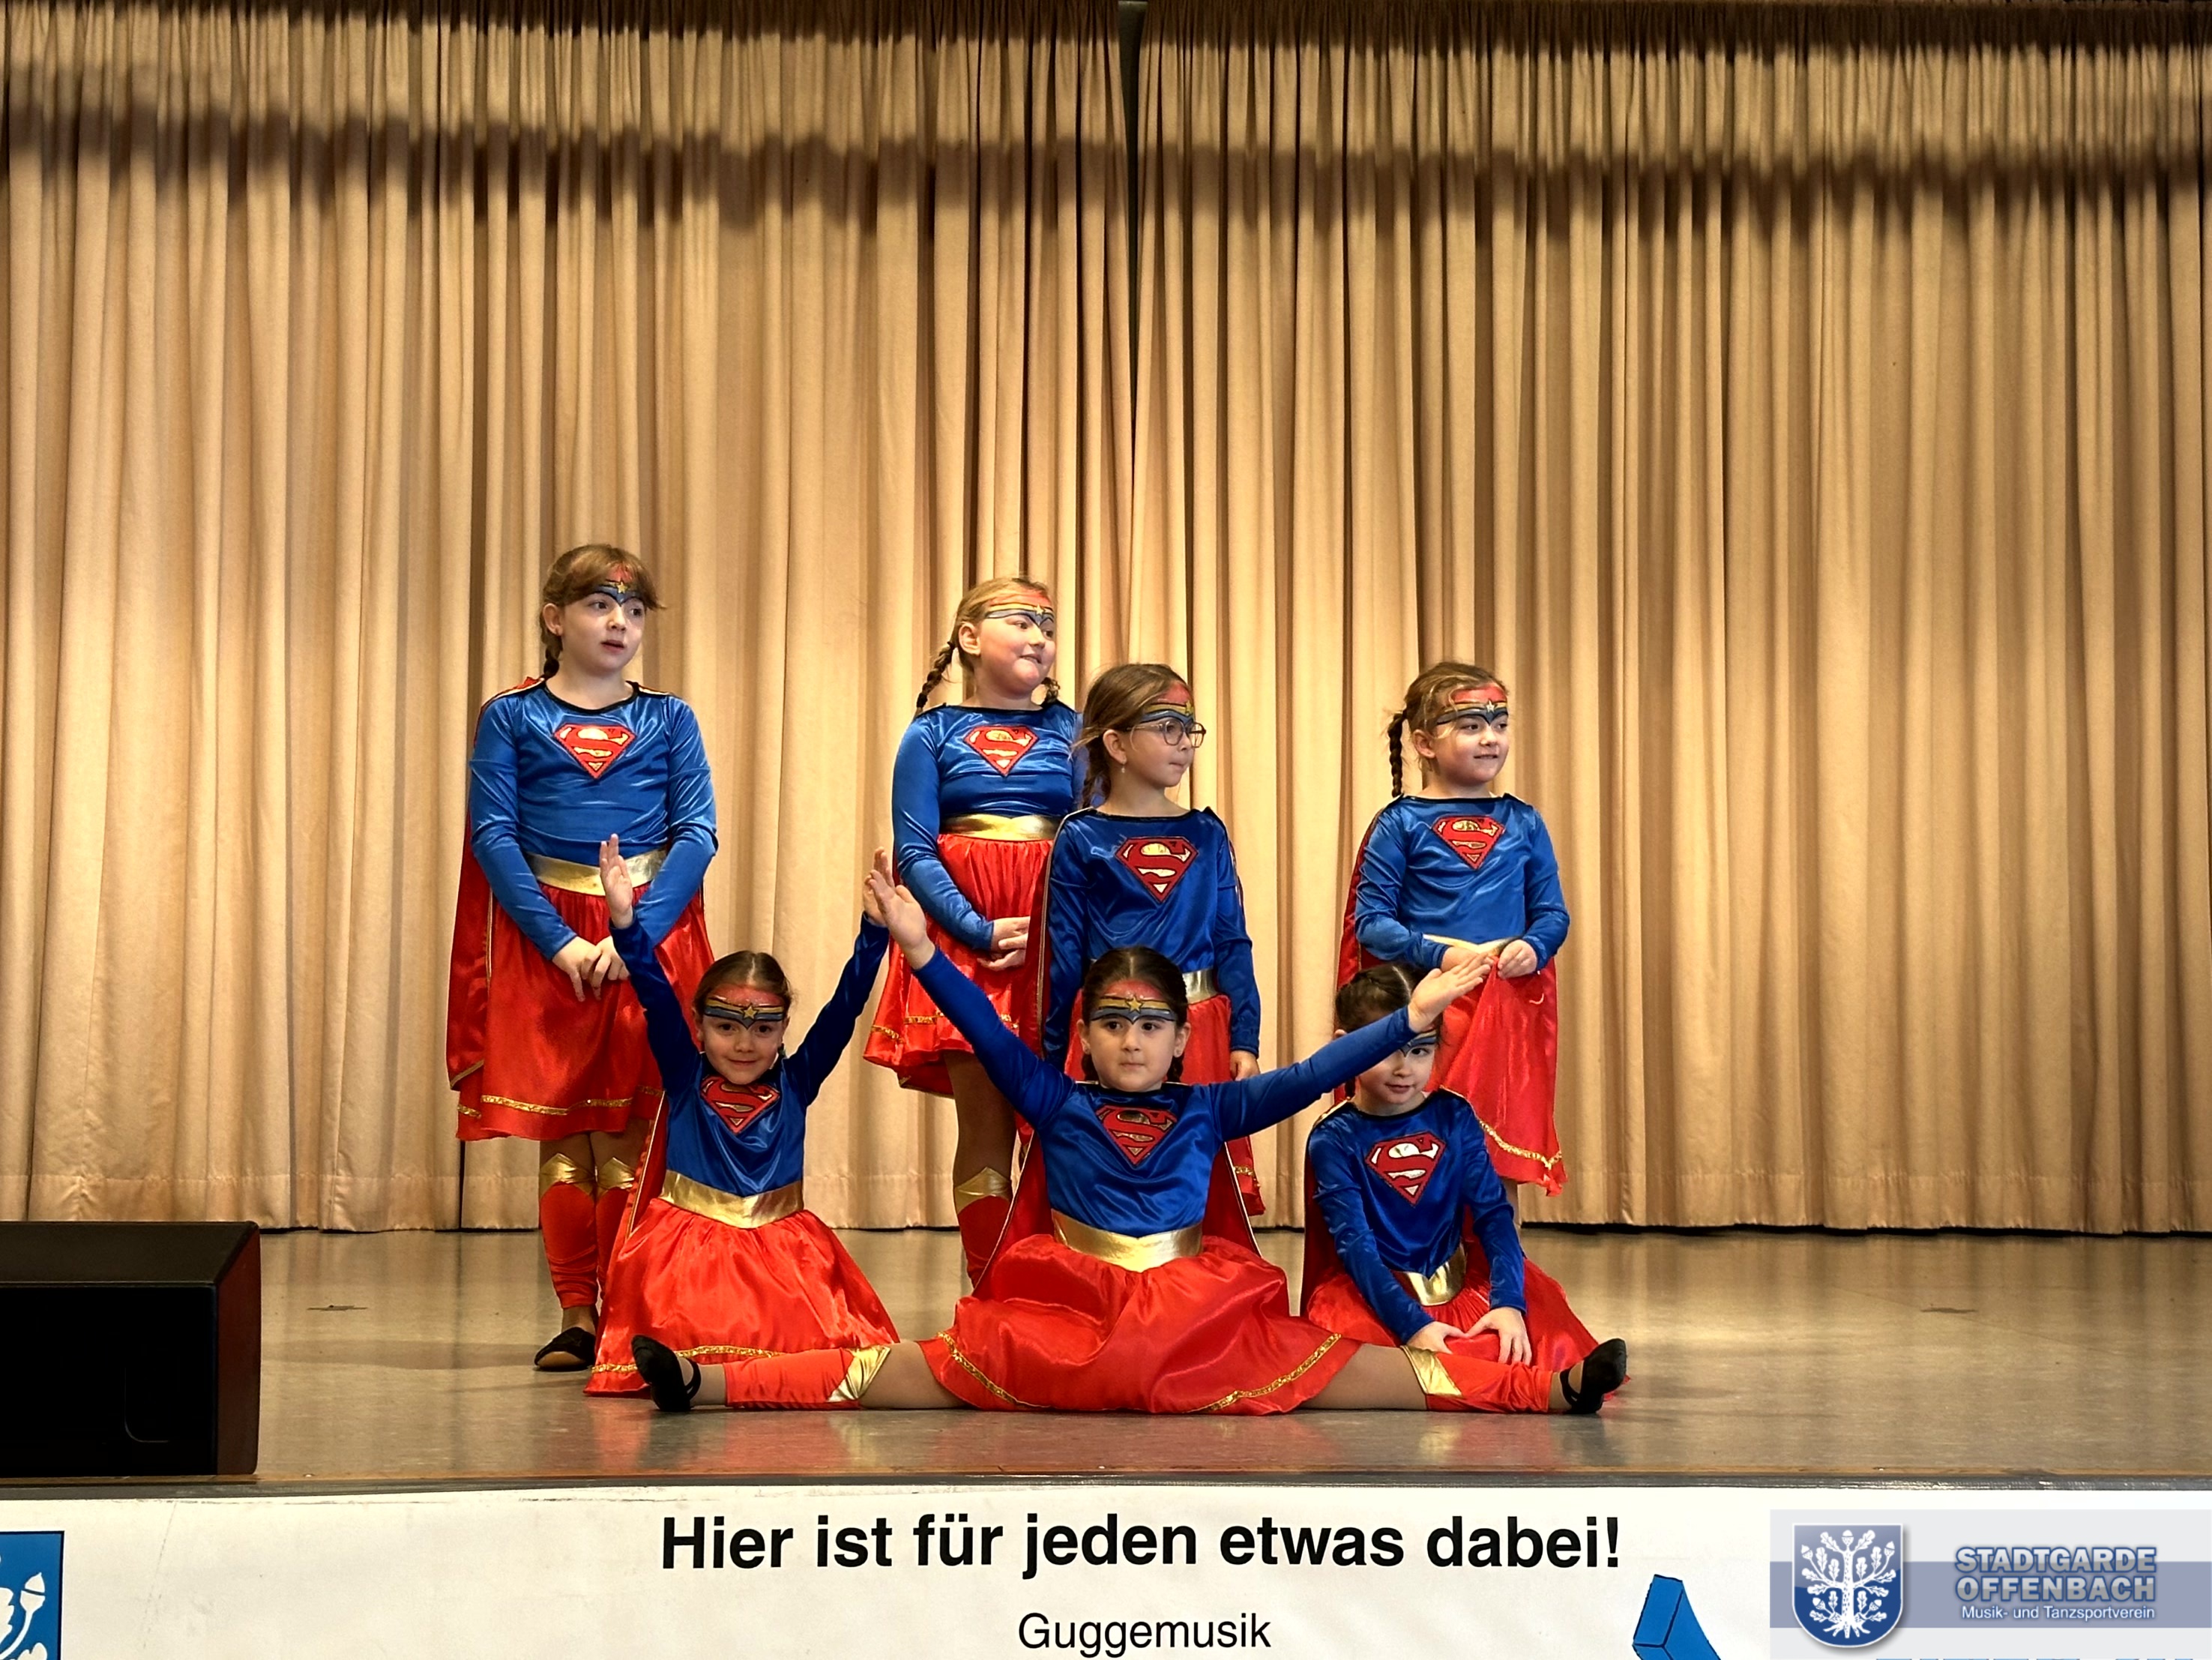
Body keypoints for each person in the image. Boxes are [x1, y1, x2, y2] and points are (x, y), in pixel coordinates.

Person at [626, 865, 1627, 1416]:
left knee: (1349, 1374)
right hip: (1073, 1311)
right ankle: (706, 1382)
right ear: (1085, 1034)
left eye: (1150, 1025)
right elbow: (981, 1028)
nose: (1132, 1040)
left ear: (1179, 1037)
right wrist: (920, 950)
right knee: (906, 1373)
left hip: (1191, 1314)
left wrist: (1410, 1017)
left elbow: (1311, 1075)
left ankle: (1549, 1393)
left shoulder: (1208, 1107)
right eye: (1111, 1023)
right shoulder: (1053, 1098)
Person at [445, 544, 717, 1369]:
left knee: (632, 1136)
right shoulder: (511, 716)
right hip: (548, 940)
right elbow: (493, 835)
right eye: (600, 606)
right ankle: (576, 1314)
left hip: (647, 936)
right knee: (564, 1138)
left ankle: (628, 1312)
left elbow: (696, 835)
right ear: (554, 618)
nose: (619, 624)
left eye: (632, 610)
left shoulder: (670, 719)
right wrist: (561, 942)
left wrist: (632, 937)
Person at [585, 838, 897, 1397]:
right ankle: (697, 1378)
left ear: (783, 1031)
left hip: (783, 1257)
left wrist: (875, 931)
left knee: (817, 1355)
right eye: (726, 1027)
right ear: (699, 1026)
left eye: (763, 1029)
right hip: (686, 1255)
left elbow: (844, 1008)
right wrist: (625, 922)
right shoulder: (684, 1075)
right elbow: (653, 991)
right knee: (695, 1329)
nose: (744, 1044)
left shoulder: (797, 1082)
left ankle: (719, 1383)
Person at [863, 577, 1082, 1284]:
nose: (1040, 637)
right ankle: (991, 1289)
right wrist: (977, 930)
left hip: (1060, 950)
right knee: (984, 1130)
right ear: (968, 637)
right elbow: (915, 851)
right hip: (967, 952)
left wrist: (1063, 938)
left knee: (1062, 1130)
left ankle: (1059, 1287)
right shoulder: (928, 734)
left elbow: (1100, 840)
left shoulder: (1075, 731)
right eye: (1021, 621)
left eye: (1049, 626)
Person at [1302, 963, 1604, 1386]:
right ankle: (1533, 1389)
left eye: (1420, 1051)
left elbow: (1493, 1214)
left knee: (1528, 1335)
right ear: (1345, 1046)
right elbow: (1356, 1245)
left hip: (1459, 1286)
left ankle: (1496, 1375)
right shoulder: (1333, 1138)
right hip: (1374, 1298)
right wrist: (1413, 1326)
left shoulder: (1454, 1115)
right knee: (1352, 1358)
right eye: (1389, 1050)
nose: (1405, 1068)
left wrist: (1508, 1303)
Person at [1041, 664, 1268, 1213]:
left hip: (1198, 1030)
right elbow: (1062, 957)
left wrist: (1245, 1039)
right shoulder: (1080, 836)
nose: (1184, 743)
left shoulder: (1207, 832)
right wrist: (1050, 1056)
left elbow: (1232, 942)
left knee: (1198, 1184)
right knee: (1105, 1175)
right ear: (1116, 743)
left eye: (1189, 728)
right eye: (1167, 727)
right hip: (1110, 1032)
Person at [1340, 664, 1570, 1194]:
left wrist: (1533, 947)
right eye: (1470, 725)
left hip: (1503, 1008)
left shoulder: (1524, 821)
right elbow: (1371, 925)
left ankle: (1500, 1250)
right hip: (1431, 1010)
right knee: (1422, 1154)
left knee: (1496, 1159)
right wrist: (1444, 957)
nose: (1491, 738)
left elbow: (1552, 913)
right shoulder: (1399, 823)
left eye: (1500, 723)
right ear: (1424, 743)